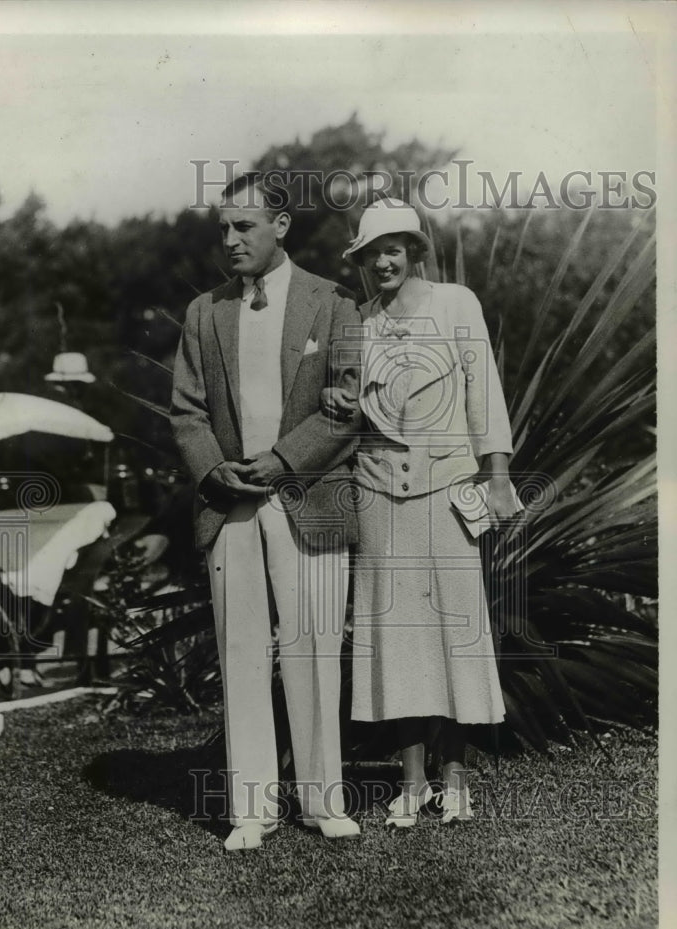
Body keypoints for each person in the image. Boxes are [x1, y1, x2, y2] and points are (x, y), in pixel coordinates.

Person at [169, 173, 363, 850]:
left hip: (310, 497)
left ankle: (322, 801)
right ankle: (251, 807)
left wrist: (282, 461)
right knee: (242, 649)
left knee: (314, 649)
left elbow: (349, 403)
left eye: (244, 226)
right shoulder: (205, 312)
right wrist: (213, 469)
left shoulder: (334, 303)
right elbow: (187, 414)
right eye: (223, 228)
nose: (230, 240)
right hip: (232, 507)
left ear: (281, 227)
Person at [322, 198, 521, 827]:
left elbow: (482, 390)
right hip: (380, 493)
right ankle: (409, 783)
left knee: (453, 633)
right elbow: (348, 409)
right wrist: (335, 397)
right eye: (371, 253)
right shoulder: (358, 321)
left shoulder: (456, 304)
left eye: (393, 249)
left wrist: (497, 476)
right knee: (395, 637)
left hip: (447, 490)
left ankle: (455, 779)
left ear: (414, 252)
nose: (382, 261)